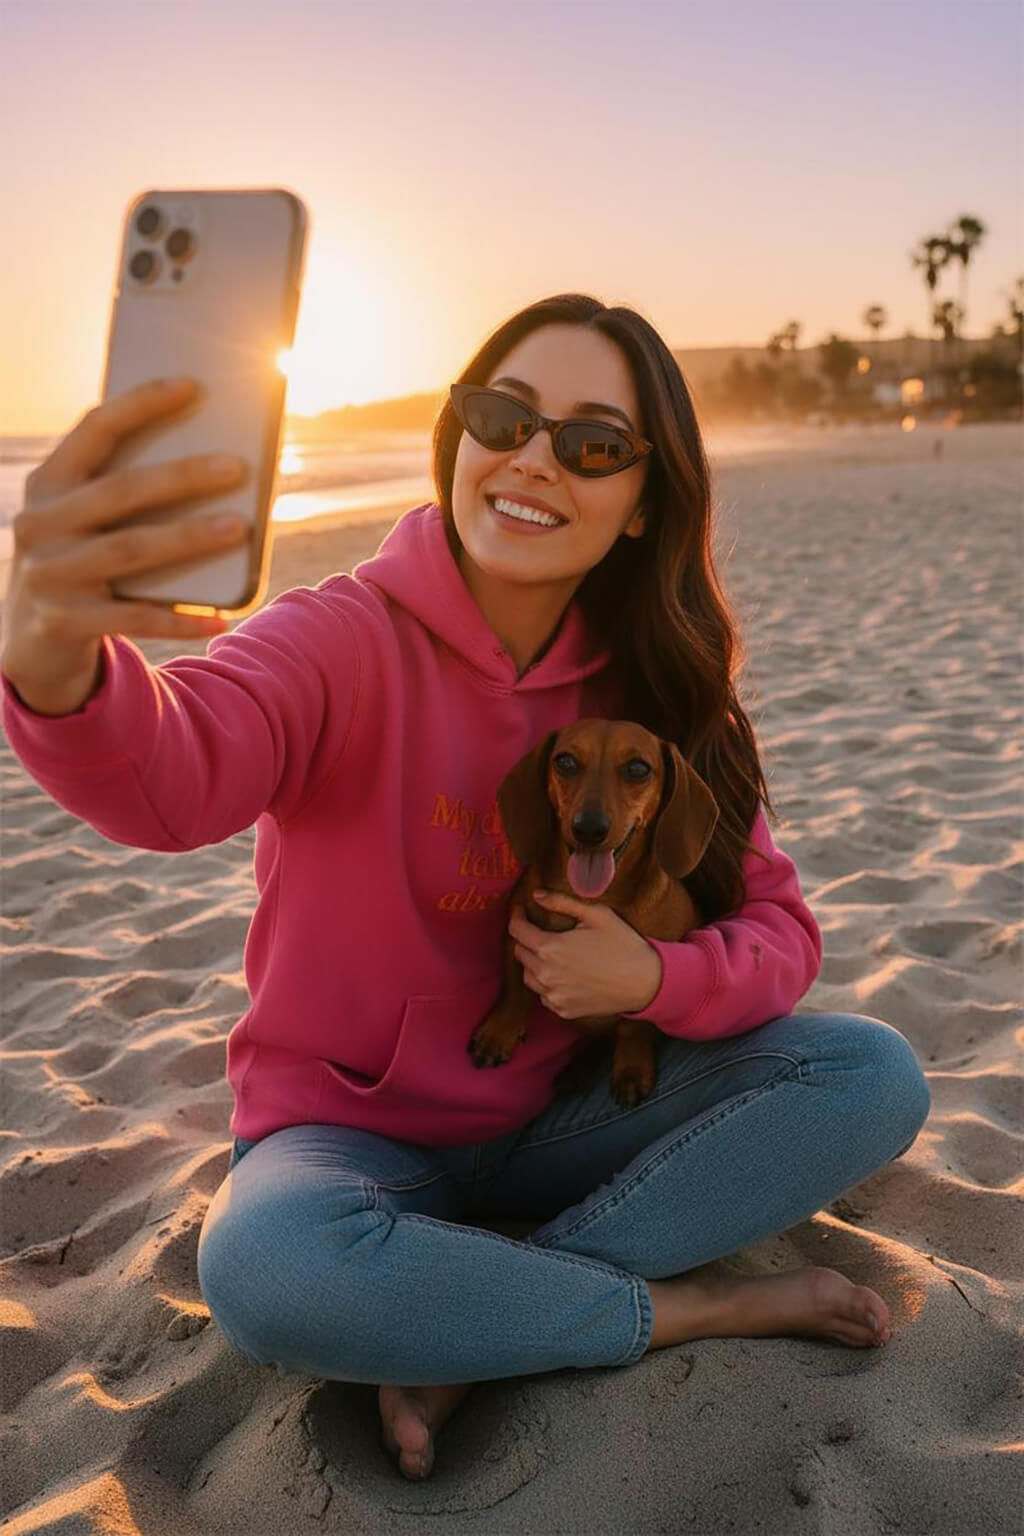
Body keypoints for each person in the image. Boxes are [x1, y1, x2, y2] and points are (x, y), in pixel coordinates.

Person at [0, 293, 931, 1482]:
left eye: (593, 442)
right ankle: (682, 1304)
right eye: (502, 415)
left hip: (572, 1125)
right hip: (344, 1140)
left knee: (870, 1073)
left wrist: (653, 974)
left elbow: (780, 935)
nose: (535, 457)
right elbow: (173, 775)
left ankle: (473, 1310)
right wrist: (60, 661)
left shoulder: (659, 698)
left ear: (643, 497)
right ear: (459, 437)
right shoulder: (337, 636)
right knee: (270, 1273)